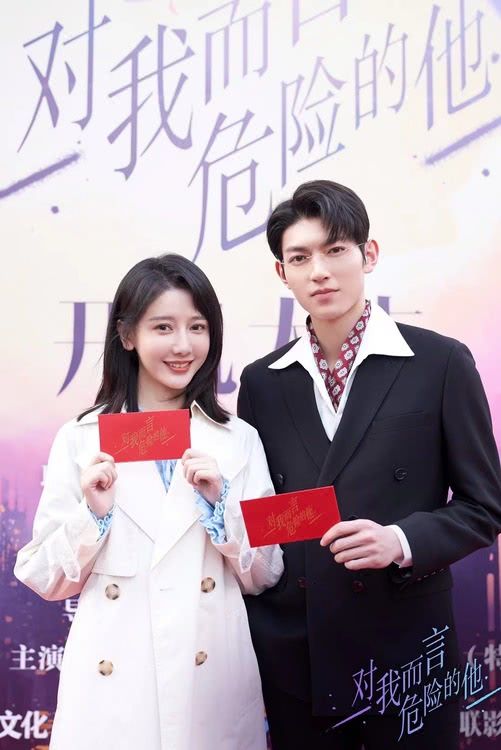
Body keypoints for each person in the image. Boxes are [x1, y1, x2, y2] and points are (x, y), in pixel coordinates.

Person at [237, 180, 501, 750]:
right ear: (282, 273)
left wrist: (400, 540)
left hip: (406, 650)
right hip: (298, 655)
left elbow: (485, 507)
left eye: (335, 250)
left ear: (369, 254)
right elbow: (264, 516)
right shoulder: (261, 382)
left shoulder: (440, 362)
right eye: (299, 258)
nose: (320, 272)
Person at [15, 253, 283, 750]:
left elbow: (267, 572)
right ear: (127, 335)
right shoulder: (81, 438)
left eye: (197, 327)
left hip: (210, 684)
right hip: (115, 692)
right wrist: (92, 516)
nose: (183, 345)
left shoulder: (238, 439)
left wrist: (221, 504)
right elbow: (43, 576)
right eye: (163, 327)